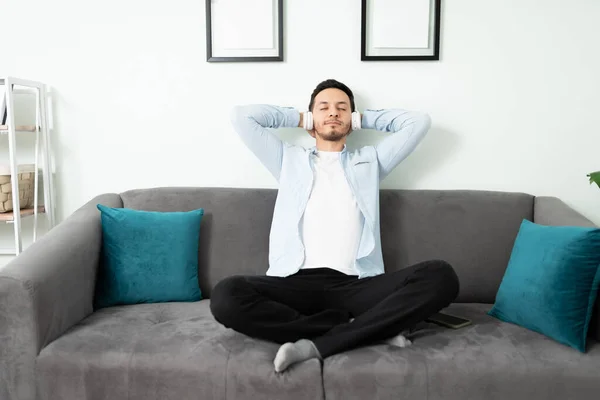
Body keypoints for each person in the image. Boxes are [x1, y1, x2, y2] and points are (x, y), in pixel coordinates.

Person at [210, 79, 459, 373]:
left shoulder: (371, 161)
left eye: (342, 108)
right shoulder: (288, 159)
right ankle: (362, 330)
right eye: (324, 107)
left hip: (357, 285)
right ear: (312, 117)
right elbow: (242, 117)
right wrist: (301, 118)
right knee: (226, 294)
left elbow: (418, 123)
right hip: (294, 283)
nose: (333, 113)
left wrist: (361, 118)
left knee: (441, 276)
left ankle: (315, 345)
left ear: (351, 118)